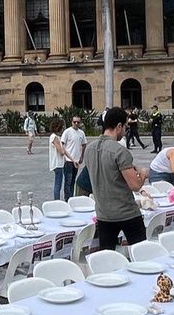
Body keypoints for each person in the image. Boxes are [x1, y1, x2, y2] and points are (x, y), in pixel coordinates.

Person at [86, 107, 150, 251]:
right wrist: (144, 174)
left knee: (107, 257)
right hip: (126, 213)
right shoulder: (119, 151)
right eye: (126, 126)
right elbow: (135, 185)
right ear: (119, 126)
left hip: (103, 214)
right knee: (142, 253)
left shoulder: (90, 149)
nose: (127, 130)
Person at [60, 114, 87, 201]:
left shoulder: (81, 133)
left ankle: (71, 198)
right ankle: (67, 199)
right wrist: (70, 158)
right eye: (74, 122)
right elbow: (63, 146)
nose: (76, 123)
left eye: (78, 122)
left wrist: (82, 156)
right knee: (68, 181)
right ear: (71, 122)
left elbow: (84, 144)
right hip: (68, 161)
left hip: (76, 160)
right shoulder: (67, 132)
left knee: (73, 181)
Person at [47, 117, 67, 200]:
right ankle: (57, 200)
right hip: (57, 163)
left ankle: (57, 199)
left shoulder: (55, 136)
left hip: (58, 163)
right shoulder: (54, 137)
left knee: (58, 183)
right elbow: (61, 151)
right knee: (58, 184)